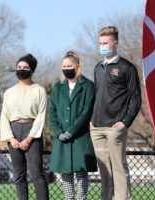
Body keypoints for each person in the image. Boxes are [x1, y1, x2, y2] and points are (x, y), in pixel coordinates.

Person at [90, 26, 141, 200]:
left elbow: (135, 98)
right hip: (97, 127)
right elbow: (97, 96)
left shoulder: (127, 68)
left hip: (115, 127)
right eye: (100, 43)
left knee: (119, 167)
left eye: (105, 43)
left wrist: (125, 122)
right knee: (104, 169)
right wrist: (92, 120)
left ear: (115, 44)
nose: (102, 46)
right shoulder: (98, 68)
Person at [49, 51, 97, 200]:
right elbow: (53, 111)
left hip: (80, 136)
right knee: (66, 173)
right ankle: (69, 198)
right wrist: (58, 132)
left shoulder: (88, 86)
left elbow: (87, 111)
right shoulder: (58, 87)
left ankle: (82, 198)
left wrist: (71, 131)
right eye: (64, 66)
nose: (66, 68)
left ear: (78, 66)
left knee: (81, 172)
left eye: (69, 65)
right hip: (62, 137)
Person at [0, 54, 49, 200]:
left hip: (32, 131)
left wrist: (29, 138)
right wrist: (11, 138)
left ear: (32, 70)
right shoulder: (9, 92)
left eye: (26, 67)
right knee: (18, 175)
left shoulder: (39, 90)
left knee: (36, 173)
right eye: (19, 67)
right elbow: (4, 116)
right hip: (13, 132)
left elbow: (41, 116)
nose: (22, 69)